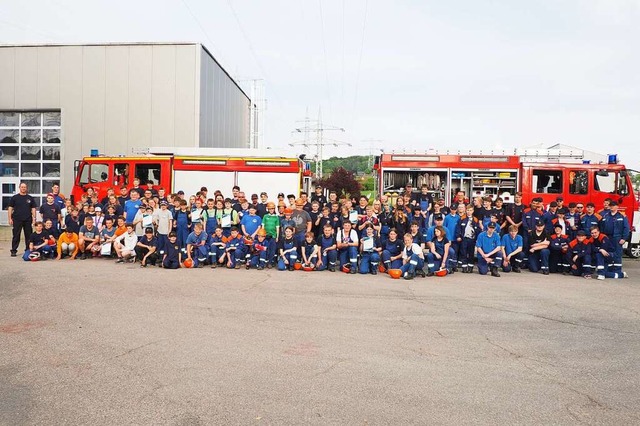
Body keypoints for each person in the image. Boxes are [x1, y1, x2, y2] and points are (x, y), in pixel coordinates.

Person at [598, 201, 630, 272]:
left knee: (617, 254)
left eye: (613, 205)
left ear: (617, 207)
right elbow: (601, 227)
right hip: (607, 237)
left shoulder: (622, 216)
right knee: (608, 253)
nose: (612, 207)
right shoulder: (606, 216)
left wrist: (624, 238)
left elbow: (626, 228)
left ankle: (617, 270)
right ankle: (609, 269)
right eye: (611, 205)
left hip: (617, 238)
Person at [8, 182, 37, 257]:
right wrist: (10, 218)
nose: (23, 188)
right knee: (16, 235)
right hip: (17, 219)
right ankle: (14, 250)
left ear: (26, 188)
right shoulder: (15, 197)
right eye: (22, 187)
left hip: (28, 219)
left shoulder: (30, 198)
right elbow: (10, 208)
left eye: (25, 187)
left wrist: (34, 218)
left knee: (28, 236)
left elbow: (33, 208)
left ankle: (28, 249)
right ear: (19, 187)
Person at [456, 205, 480, 273]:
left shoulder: (475, 219)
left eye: (470, 210)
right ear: (465, 210)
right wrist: (458, 236)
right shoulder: (462, 219)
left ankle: (470, 267)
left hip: (472, 239)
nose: (469, 212)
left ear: (473, 211)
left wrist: (477, 238)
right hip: (464, 239)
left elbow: (478, 230)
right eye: (468, 210)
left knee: (471, 253)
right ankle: (464, 266)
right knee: (463, 252)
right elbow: (458, 228)